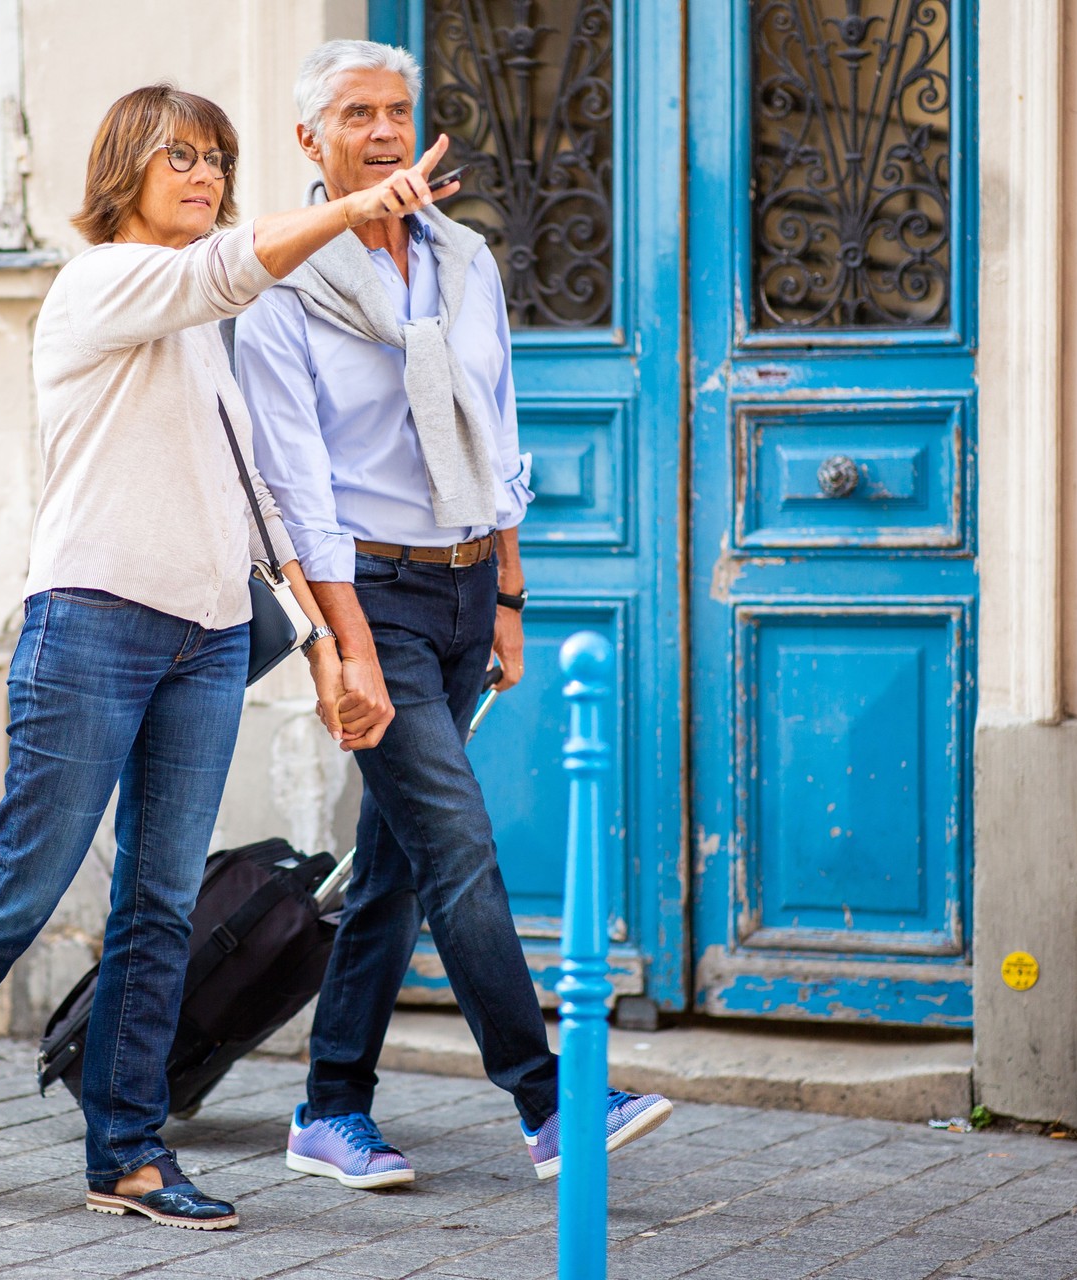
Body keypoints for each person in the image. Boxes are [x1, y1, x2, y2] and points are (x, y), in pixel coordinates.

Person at [0, 82, 460, 1231]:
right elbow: (229, 266)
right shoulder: (103, 286)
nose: (207, 173)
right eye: (181, 154)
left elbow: (264, 495)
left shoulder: (203, 339)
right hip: (93, 624)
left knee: (161, 901)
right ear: (124, 166)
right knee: (22, 883)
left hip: (211, 638)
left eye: (219, 157)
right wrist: (357, 205)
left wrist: (327, 643)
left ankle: (125, 1150)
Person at [235, 41, 672, 1189]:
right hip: (368, 590)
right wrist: (348, 647)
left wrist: (509, 594)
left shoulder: (465, 254)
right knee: (460, 839)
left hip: (468, 584)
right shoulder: (279, 288)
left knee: (397, 864)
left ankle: (329, 1108)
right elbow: (298, 492)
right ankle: (550, 1099)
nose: (385, 131)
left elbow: (496, 427)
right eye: (356, 114)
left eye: (397, 110)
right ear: (309, 143)